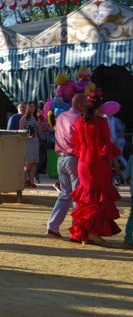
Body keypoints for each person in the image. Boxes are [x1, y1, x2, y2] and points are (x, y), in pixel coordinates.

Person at [68, 89, 121, 245]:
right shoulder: (101, 122)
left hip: (83, 163)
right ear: (99, 107)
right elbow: (106, 145)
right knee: (97, 199)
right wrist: (116, 163)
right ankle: (92, 232)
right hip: (97, 164)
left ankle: (83, 232)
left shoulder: (79, 122)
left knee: (86, 199)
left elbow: (76, 144)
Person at [45, 93, 86, 239]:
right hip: (73, 158)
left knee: (64, 195)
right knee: (76, 196)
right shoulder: (79, 119)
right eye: (85, 103)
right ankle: (76, 230)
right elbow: (80, 141)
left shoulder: (61, 116)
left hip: (60, 158)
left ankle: (53, 225)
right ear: (81, 104)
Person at [19, 101, 40, 188]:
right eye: (30, 107)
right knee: (28, 161)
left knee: (35, 161)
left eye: (33, 107)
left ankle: (31, 180)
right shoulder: (24, 118)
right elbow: (20, 131)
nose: (32, 108)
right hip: (27, 141)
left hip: (35, 140)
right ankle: (24, 180)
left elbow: (39, 130)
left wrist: (39, 126)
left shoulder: (36, 117)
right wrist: (27, 135)